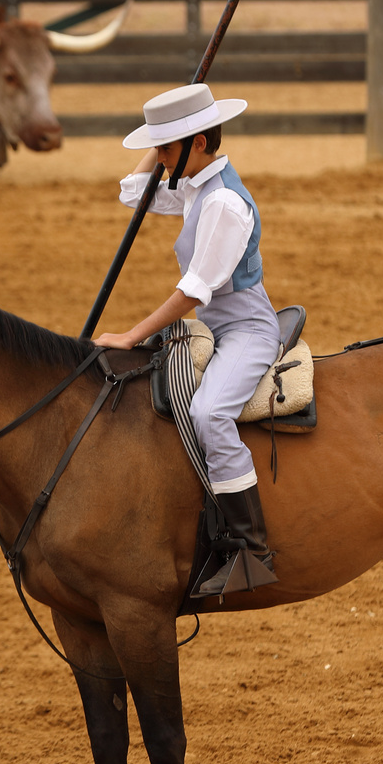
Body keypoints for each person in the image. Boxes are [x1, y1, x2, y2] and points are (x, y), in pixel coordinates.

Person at [92, 83, 279, 595]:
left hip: (245, 330)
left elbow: (193, 292)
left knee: (208, 415)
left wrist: (132, 334)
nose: (161, 158)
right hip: (218, 329)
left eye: (169, 147)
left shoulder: (222, 203)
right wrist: (164, 135)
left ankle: (251, 549)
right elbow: (134, 194)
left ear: (198, 143)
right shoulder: (196, 182)